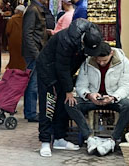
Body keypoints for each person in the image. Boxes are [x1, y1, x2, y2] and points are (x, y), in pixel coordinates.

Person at [35, 18, 107, 157]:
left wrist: (68, 88)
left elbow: (68, 68)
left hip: (64, 73)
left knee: (64, 104)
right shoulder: (66, 40)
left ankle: (59, 138)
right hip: (48, 71)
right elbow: (61, 67)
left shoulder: (91, 34)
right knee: (48, 105)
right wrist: (69, 90)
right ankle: (45, 141)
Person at [65, 43, 129, 156]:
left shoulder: (123, 62)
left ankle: (112, 140)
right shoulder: (88, 61)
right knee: (70, 103)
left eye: (104, 60)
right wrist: (89, 95)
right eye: (98, 60)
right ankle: (89, 138)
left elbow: (126, 85)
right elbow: (81, 85)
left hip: (113, 98)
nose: (101, 63)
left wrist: (113, 97)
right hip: (93, 99)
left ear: (111, 53)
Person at [22, 0, 49, 121]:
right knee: (32, 83)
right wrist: (36, 53)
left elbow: (36, 31)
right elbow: (27, 33)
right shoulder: (33, 10)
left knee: (34, 83)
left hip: (36, 51)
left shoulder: (36, 9)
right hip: (33, 53)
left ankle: (31, 111)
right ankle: (31, 113)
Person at [6, 5, 26, 70]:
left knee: (13, 56)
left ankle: (13, 69)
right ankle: (22, 69)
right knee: (21, 56)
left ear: (17, 11)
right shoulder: (25, 19)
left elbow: (8, 31)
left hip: (13, 41)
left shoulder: (12, 19)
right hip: (23, 40)